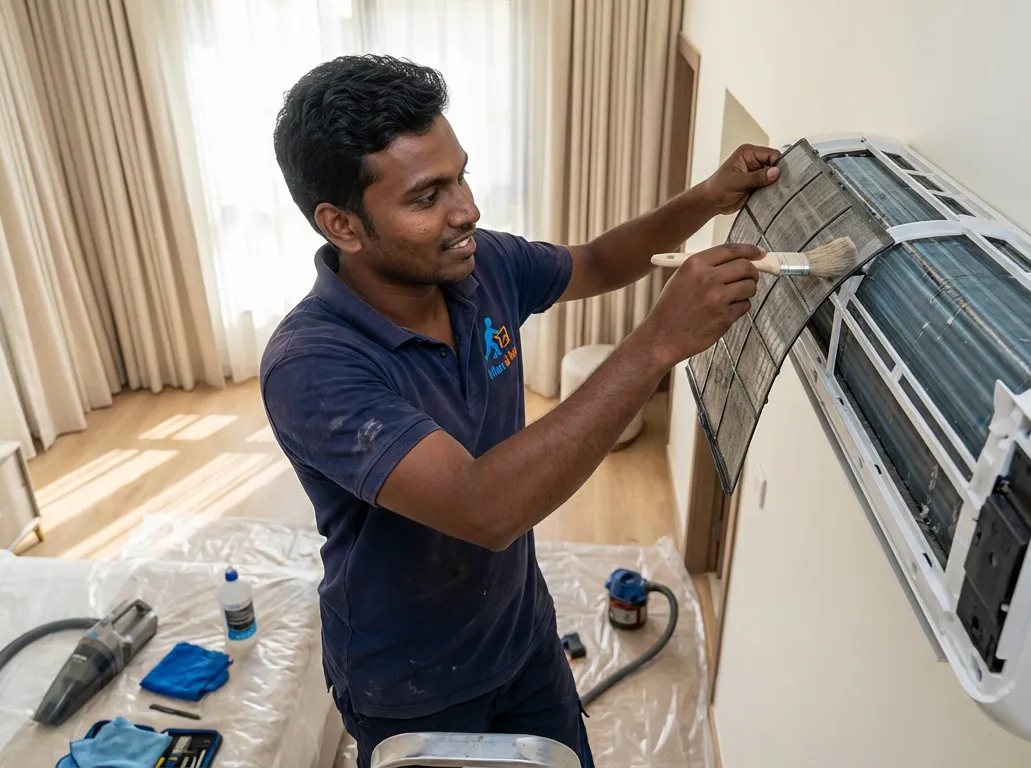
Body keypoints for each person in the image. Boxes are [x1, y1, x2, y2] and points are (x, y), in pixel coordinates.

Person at [261, 54, 780, 768]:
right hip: (413, 679)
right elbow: (486, 508)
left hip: (519, 631)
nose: (466, 209)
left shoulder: (482, 268)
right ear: (342, 225)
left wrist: (706, 199)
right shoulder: (314, 365)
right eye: (427, 196)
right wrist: (657, 343)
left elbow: (598, 261)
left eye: (462, 175)